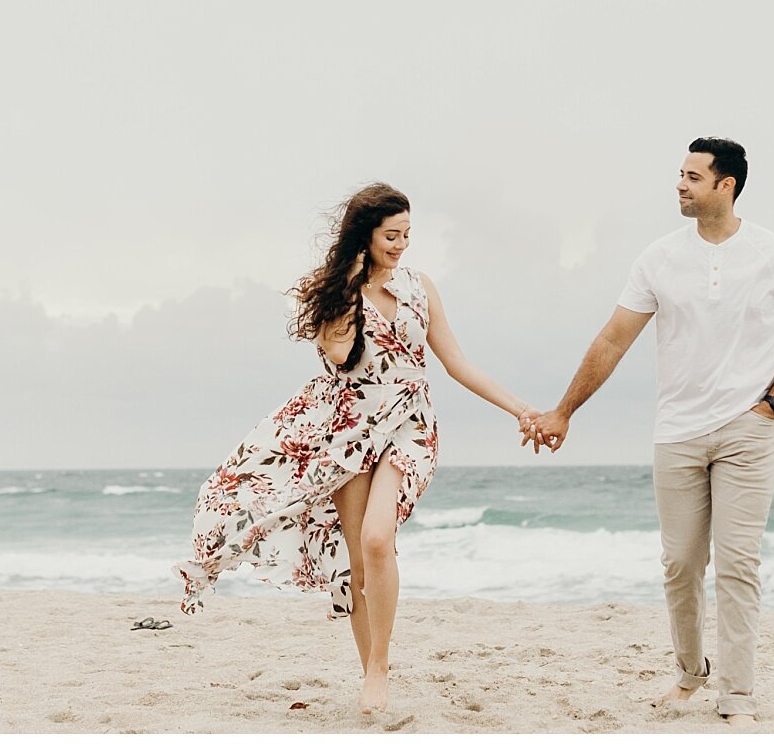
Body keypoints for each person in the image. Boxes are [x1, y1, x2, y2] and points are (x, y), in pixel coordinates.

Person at [174, 182, 535, 715]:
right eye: (392, 235)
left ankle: (381, 667)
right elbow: (342, 357)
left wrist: (520, 410)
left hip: (410, 425)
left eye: (408, 234)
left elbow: (456, 362)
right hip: (348, 431)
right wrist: (349, 290)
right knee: (358, 563)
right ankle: (371, 673)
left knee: (375, 538)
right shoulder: (333, 293)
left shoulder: (421, 286)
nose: (402, 244)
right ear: (364, 235)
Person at [522, 138, 774, 727]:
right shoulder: (658, 258)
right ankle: (690, 674)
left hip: (747, 431)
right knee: (681, 565)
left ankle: (737, 696)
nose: (680, 185)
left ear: (725, 185)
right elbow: (613, 340)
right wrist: (564, 411)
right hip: (677, 433)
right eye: (679, 175)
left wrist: (771, 405)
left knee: (738, 564)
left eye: (692, 176)